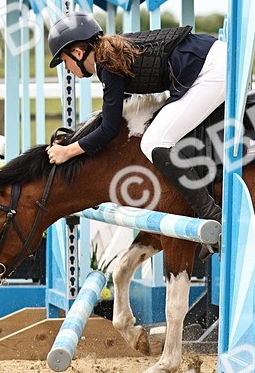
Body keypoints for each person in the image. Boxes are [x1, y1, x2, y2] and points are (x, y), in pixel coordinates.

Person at [44, 12, 226, 221]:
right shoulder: (111, 53)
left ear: (77, 53)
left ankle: (212, 216)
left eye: (65, 61)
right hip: (210, 59)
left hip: (211, 70)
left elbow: (109, 129)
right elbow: (112, 116)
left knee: (155, 142)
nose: (66, 68)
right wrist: (73, 142)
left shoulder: (106, 64)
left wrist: (68, 152)